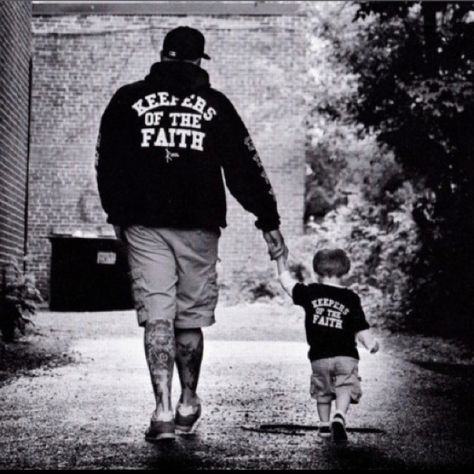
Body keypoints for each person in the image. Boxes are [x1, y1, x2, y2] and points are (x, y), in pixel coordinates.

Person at [96, 26, 288, 442]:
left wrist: (117, 212)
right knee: (189, 319)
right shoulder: (216, 106)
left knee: (158, 315)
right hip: (199, 224)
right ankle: (187, 401)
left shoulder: (126, 100)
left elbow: (107, 159)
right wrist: (268, 221)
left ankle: (162, 411)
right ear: (200, 61)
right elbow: (244, 165)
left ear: (163, 57)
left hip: (144, 223)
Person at [276, 248, 379, 443]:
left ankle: (324, 425)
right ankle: (339, 414)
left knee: (322, 392)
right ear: (346, 271)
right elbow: (360, 328)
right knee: (345, 386)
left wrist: (280, 260)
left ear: (316, 271)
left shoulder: (310, 292)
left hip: (319, 357)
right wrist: (370, 344)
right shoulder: (351, 298)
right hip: (345, 356)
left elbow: (286, 283)